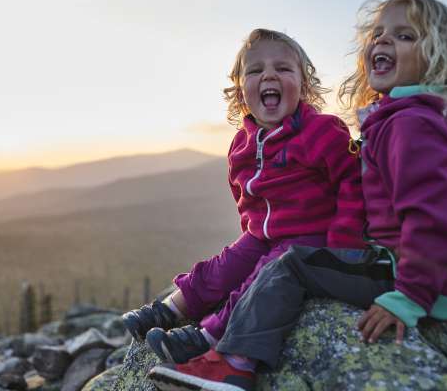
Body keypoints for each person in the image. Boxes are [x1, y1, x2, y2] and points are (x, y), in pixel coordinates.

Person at [148, 0, 447, 390]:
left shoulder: (411, 126)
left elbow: (431, 222)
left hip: (415, 283)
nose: (382, 41)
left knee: (290, 265)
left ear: (438, 57)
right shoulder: (414, 115)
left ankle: (233, 364)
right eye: (377, 33)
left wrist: (407, 298)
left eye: (404, 35)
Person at [121, 28, 366, 364]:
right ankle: (169, 309)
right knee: (223, 265)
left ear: (304, 87)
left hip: (311, 237)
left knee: (263, 276)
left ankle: (208, 334)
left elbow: (353, 183)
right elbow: (243, 192)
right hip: (261, 234)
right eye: (255, 70)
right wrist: (250, 236)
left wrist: (343, 244)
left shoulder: (322, 131)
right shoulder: (242, 144)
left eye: (283, 69)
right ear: (240, 93)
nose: (268, 74)